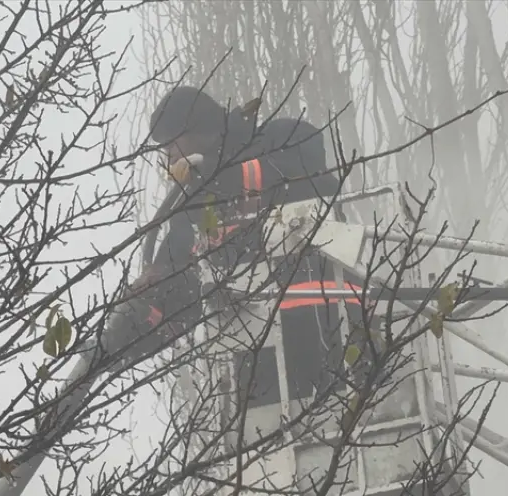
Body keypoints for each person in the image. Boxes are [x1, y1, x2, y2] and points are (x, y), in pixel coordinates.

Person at [110, 85, 365, 411]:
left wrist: (226, 176)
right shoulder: (192, 207)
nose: (169, 156)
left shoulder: (280, 136)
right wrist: (144, 317)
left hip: (332, 320)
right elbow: (180, 277)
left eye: (171, 143)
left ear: (196, 128)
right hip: (256, 352)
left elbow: (311, 173)